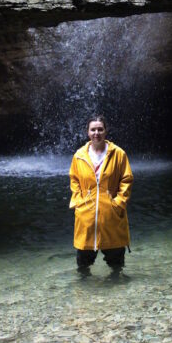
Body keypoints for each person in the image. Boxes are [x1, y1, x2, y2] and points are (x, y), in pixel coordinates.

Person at [69, 115, 133, 276]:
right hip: (87, 218)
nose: (96, 133)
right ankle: (84, 296)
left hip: (111, 216)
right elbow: (74, 179)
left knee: (116, 265)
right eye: (93, 129)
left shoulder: (118, 154)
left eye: (100, 129)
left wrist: (118, 203)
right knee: (83, 266)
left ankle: (118, 294)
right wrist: (78, 201)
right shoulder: (79, 156)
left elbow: (126, 180)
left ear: (106, 131)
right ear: (87, 132)